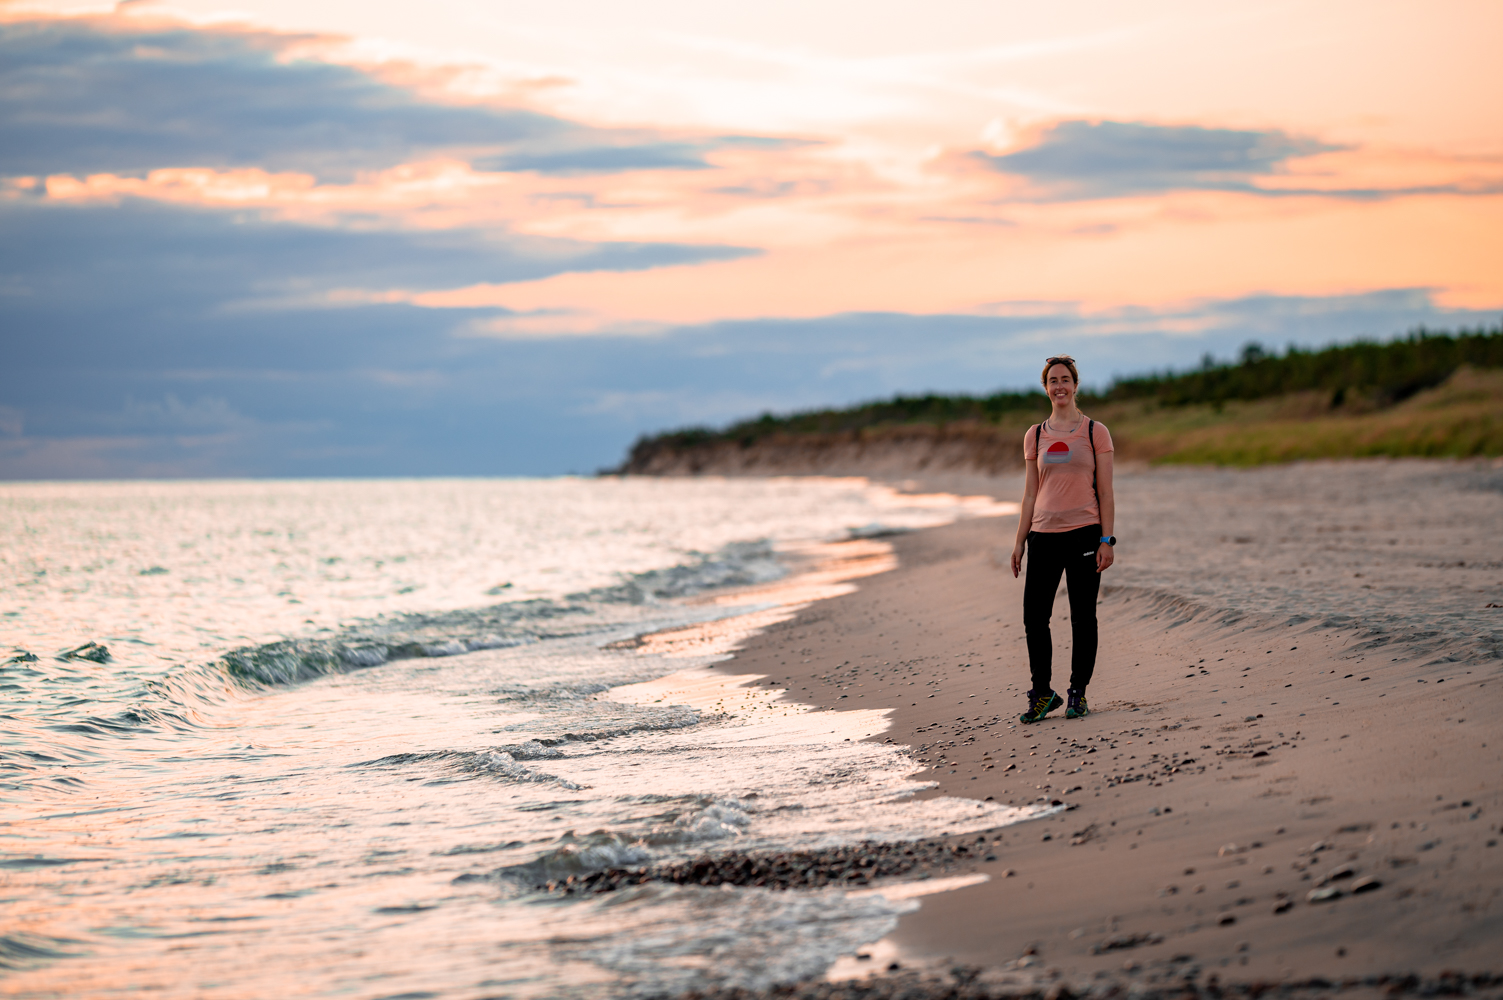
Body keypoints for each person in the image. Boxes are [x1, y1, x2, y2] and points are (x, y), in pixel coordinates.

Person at [1009, 355, 1116, 723]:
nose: (1059, 386)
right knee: (1034, 618)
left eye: (1065, 380)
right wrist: (1020, 541)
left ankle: (1077, 694)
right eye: (1053, 380)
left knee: (1083, 617)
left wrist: (1107, 540)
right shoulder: (1035, 435)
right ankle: (1042, 694)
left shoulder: (1094, 432)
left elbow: (1106, 492)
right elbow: (1029, 494)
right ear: (1045, 387)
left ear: (1075, 385)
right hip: (1043, 535)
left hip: (1085, 533)